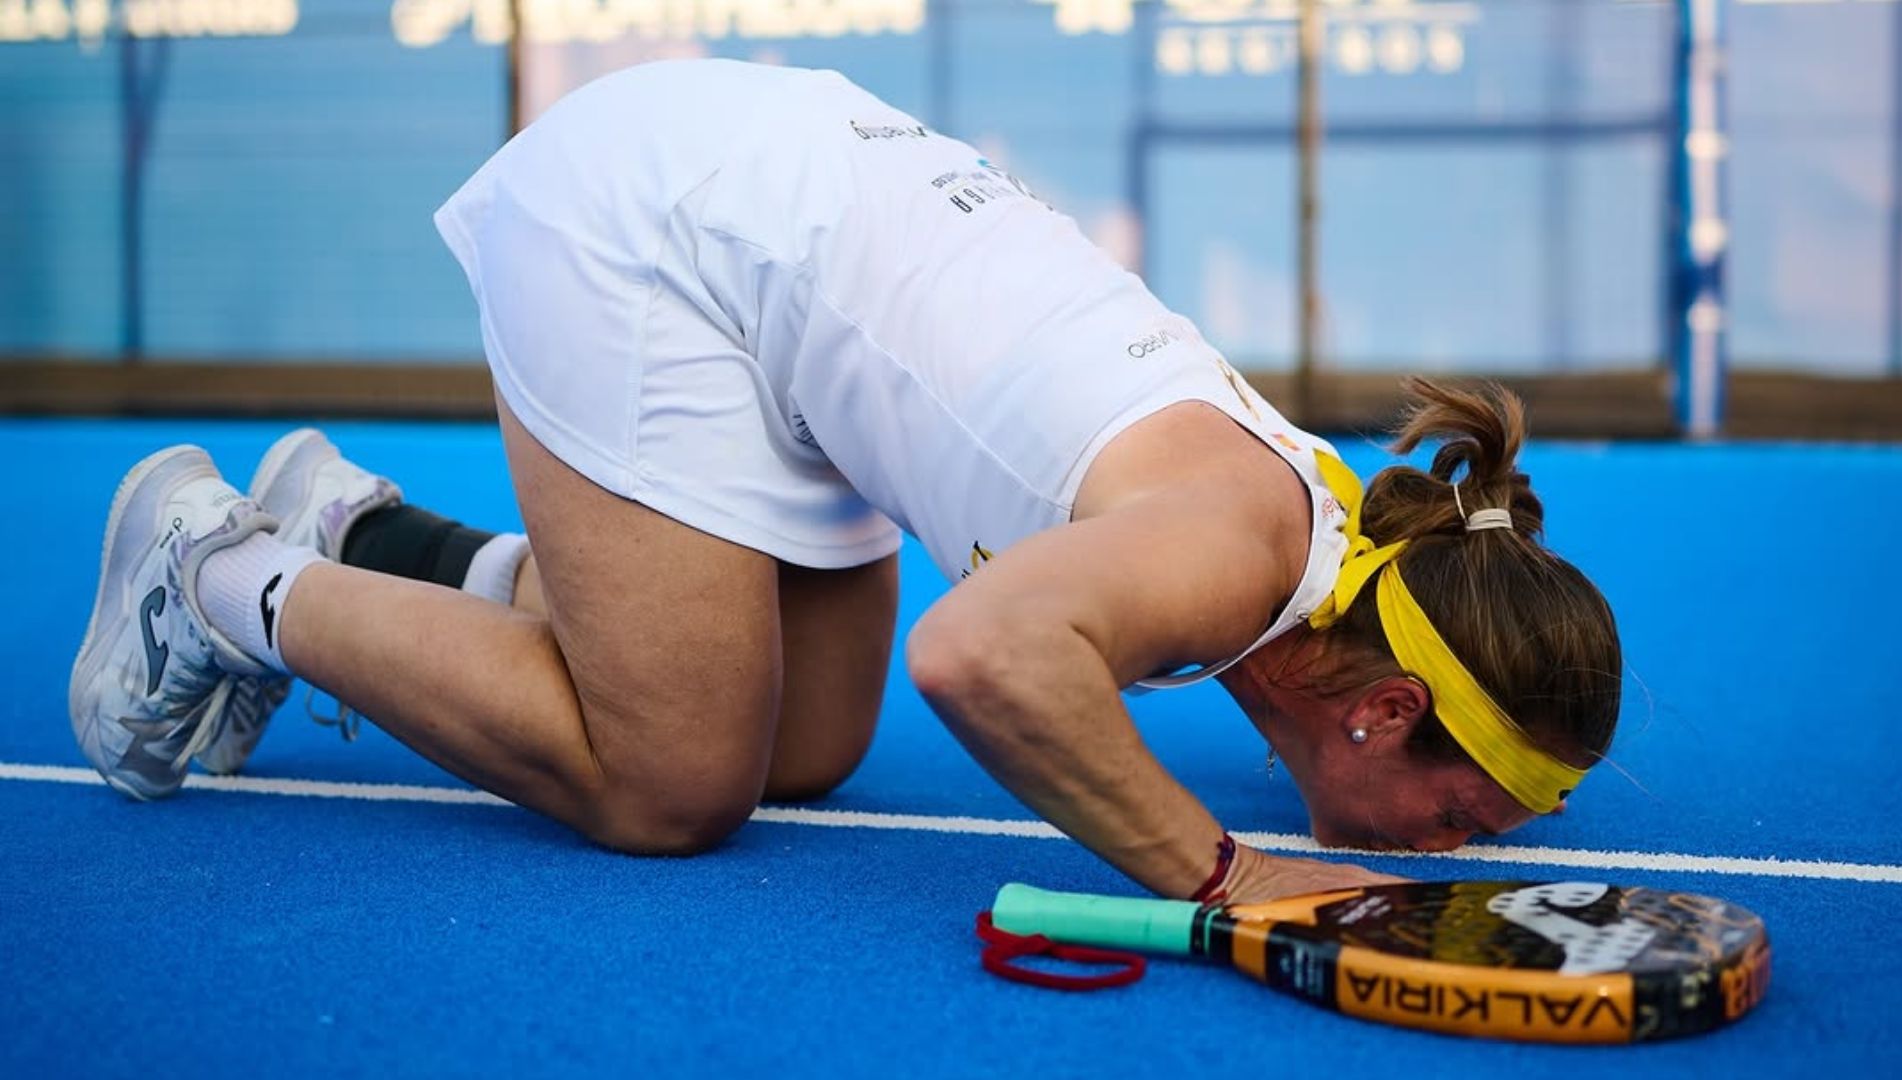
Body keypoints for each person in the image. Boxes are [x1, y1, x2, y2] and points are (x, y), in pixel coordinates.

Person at [68, 60, 1620, 905]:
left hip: (786, 256)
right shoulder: (1231, 552)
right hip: (663, 229)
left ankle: (365, 529)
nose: (1465, 846)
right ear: (1386, 710)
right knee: (672, 787)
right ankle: (216, 574)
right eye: (1475, 809)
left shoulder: (1307, 546)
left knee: (802, 748)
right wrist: (1223, 876)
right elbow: (981, 652)